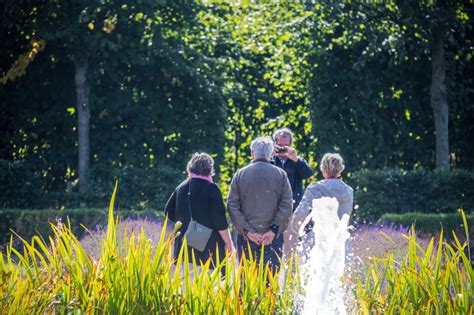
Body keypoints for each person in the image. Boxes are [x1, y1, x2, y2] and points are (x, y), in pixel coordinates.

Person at [227, 136, 293, 271]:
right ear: (271, 154)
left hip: (247, 239)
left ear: (252, 153)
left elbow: (232, 205)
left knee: (246, 283)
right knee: (270, 283)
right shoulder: (281, 174)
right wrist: (273, 230)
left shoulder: (240, 174)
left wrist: (247, 231)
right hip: (272, 239)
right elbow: (286, 205)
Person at [165, 153, 235, 266]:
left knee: (186, 282)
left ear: (190, 167)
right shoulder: (212, 188)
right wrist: (229, 243)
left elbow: (168, 211)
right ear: (210, 169)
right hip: (207, 251)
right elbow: (220, 221)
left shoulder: (181, 187)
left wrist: (185, 224)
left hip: (183, 248)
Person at [288, 153, 354, 259]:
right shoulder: (349, 191)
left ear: (323, 168)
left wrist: (296, 229)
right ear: (340, 169)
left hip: (317, 240)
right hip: (340, 241)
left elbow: (300, 214)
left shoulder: (314, 188)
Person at [271, 128, 314, 259]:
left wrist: (296, 160)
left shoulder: (297, 160)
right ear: (275, 144)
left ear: (291, 145)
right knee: (273, 248)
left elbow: (307, 174)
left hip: (292, 209)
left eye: (286, 145)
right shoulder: (270, 160)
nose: (283, 148)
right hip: (273, 209)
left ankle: (291, 278)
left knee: (292, 249)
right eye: (280, 145)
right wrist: (269, 156)